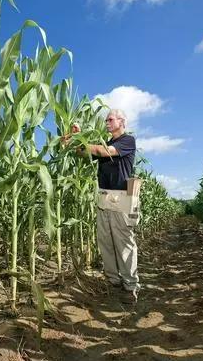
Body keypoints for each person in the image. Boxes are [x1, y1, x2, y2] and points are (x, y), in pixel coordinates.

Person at [68, 109, 140, 304]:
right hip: (104, 198)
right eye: (106, 119)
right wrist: (74, 139)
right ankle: (113, 281)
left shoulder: (127, 141)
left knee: (123, 243)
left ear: (122, 121)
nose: (106, 122)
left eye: (110, 119)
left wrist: (82, 138)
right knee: (105, 241)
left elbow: (100, 151)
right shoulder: (105, 143)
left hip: (122, 198)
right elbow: (82, 153)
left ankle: (130, 286)